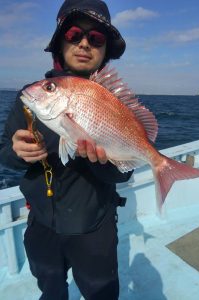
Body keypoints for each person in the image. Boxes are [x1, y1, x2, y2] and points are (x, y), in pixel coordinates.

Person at [0, 1, 133, 299]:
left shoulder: (115, 101)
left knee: (101, 292)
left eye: (96, 38)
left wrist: (100, 162)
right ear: (60, 41)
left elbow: (123, 174)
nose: (84, 43)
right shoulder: (33, 94)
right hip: (40, 224)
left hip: (94, 227)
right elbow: (4, 153)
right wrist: (16, 152)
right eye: (74, 34)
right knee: (50, 290)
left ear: (105, 49)